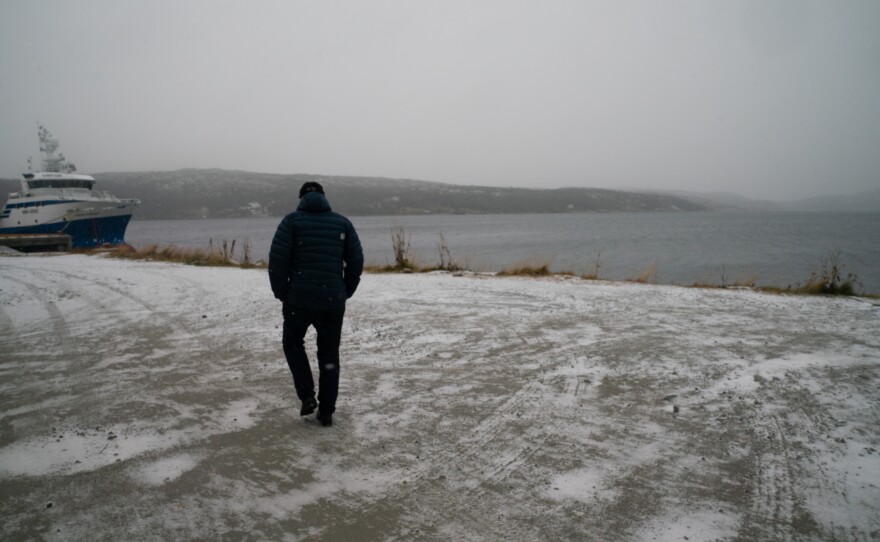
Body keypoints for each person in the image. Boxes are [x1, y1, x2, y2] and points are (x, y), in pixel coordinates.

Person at [268, 181, 364, 427]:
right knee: (329, 354)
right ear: (324, 197)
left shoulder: (291, 222)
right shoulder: (342, 224)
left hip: (298, 300)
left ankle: (307, 395)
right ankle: (327, 412)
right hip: (332, 301)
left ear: (301, 198)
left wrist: (282, 293)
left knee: (292, 342)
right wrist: (345, 291)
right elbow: (356, 262)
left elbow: (278, 262)